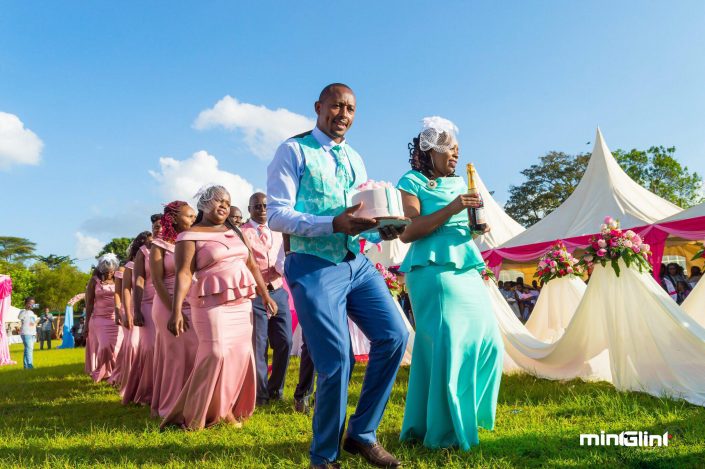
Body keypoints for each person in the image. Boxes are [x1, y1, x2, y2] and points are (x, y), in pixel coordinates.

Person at [268, 83, 409, 468]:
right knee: (336, 360)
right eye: (336, 106)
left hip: (355, 262)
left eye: (350, 108)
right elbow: (277, 214)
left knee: (395, 335)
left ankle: (361, 434)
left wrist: (381, 228)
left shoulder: (355, 158)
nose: (343, 114)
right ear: (318, 107)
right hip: (312, 264)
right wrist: (333, 222)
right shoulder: (293, 150)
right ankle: (324, 456)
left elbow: (357, 219)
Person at [396, 116, 503, 451]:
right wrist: (455, 208)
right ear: (429, 151)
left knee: (489, 342)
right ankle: (442, 434)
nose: (455, 155)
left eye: (458, 149)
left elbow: (468, 226)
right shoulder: (411, 181)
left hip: (465, 265)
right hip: (431, 269)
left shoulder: (462, 183)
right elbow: (408, 230)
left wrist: (475, 226)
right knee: (448, 345)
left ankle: (462, 415)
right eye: (449, 149)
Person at [161, 185, 278, 430]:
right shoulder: (189, 236)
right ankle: (193, 412)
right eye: (218, 201)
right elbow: (183, 273)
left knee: (239, 354)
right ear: (204, 204)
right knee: (215, 354)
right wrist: (175, 311)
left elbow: (252, 266)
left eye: (227, 201)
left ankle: (225, 411)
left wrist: (265, 296)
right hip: (209, 303)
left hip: (241, 302)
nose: (224, 205)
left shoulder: (236, 231)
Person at [241, 192, 293, 406]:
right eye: (257, 206)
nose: (262, 209)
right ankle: (261, 394)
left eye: (265, 205)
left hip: (279, 291)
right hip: (255, 294)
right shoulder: (242, 232)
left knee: (285, 342)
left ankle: (276, 388)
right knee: (258, 345)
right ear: (249, 208)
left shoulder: (279, 229)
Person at [150, 201, 198, 418]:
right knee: (175, 356)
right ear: (174, 218)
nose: (194, 219)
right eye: (189, 216)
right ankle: (170, 407)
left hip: (194, 303)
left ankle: (192, 403)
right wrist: (174, 310)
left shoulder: (193, 239)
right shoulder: (159, 245)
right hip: (167, 303)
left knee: (195, 352)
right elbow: (157, 281)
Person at [123, 216, 161, 405]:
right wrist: (136, 310)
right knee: (150, 348)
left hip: (169, 301)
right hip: (147, 302)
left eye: (163, 226)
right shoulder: (144, 252)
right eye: (155, 227)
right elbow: (138, 280)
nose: (159, 229)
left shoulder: (177, 246)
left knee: (168, 348)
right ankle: (147, 392)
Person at [120, 231, 151, 403]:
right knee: (137, 345)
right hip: (139, 303)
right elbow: (126, 289)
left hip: (158, 300)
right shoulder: (130, 266)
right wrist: (128, 311)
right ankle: (139, 386)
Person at [84, 253, 124, 382]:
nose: (108, 274)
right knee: (105, 346)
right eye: (106, 271)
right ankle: (102, 372)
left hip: (116, 318)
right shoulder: (94, 281)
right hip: (99, 319)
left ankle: (116, 373)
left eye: (111, 271)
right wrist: (86, 324)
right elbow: (89, 303)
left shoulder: (119, 280)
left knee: (117, 346)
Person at [18, 297, 38, 369]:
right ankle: (30, 366)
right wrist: (26, 309)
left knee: (28, 350)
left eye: (33, 303)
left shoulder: (32, 312)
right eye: (30, 303)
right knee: (29, 349)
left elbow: (34, 322)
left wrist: (35, 332)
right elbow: (20, 317)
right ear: (26, 303)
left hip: (32, 333)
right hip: (26, 333)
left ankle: (26, 366)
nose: (32, 305)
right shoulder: (23, 311)